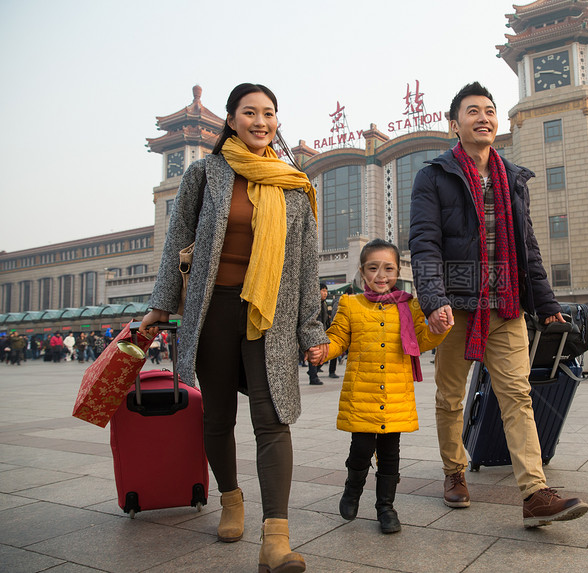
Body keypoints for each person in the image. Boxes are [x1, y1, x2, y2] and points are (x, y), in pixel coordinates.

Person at [139, 83, 328, 573]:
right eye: (250, 112)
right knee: (218, 417)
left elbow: (307, 264)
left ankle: (276, 540)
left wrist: (311, 329)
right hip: (214, 309)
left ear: (277, 121)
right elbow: (178, 239)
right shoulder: (206, 174)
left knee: (272, 419)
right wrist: (161, 304)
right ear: (232, 118)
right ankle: (230, 498)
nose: (260, 121)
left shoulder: (294, 183)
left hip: (271, 314)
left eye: (269, 113)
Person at [409, 82, 588, 528]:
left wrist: (546, 304)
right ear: (455, 124)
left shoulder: (512, 178)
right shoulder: (433, 175)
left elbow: (527, 245)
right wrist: (433, 299)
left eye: (489, 110)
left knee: (517, 395)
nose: (483, 117)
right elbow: (425, 244)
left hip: (505, 303)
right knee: (451, 397)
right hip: (455, 306)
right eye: (473, 111)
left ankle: (534, 492)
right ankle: (455, 472)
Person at [315, 239, 448, 534]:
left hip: (396, 396)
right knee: (361, 449)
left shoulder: (409, 306)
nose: (381, 275)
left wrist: (439, 329)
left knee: (391, 455)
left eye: (388, 268)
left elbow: (422, 341)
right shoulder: (350, 304)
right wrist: (324, 350)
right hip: (361, 395)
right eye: (373, 268)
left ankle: (385, 508)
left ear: (397, 271)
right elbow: (338, 338)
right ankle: (352, 490)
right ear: (363, 273)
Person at [308, 283, 329, 385]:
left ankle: (312, 372)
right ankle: (313, 377)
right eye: (323, 290)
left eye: (326, 291)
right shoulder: (314, 304)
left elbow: (326, 321)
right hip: (314, 334)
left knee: (324, 356)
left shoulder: (324, 304)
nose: (325, 293)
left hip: (323, 333)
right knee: (315, 355)